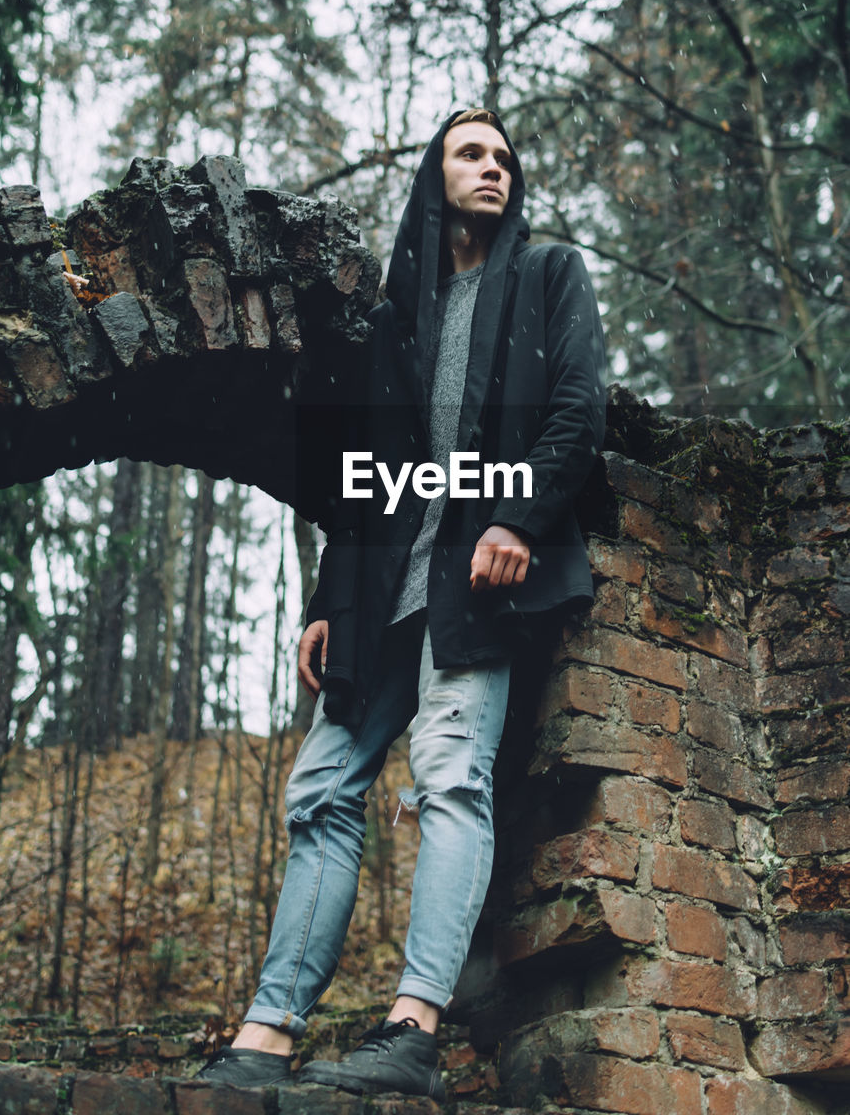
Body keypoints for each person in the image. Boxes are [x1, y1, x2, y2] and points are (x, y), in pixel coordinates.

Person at [197, 108, 606, 1101]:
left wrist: (515, 518)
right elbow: (360, 477)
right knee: (320, 787)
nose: (493, 168)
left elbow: (578, 409)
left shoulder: (547, 275)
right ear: (435, 173)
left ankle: (412, 1026)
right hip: (387, 587)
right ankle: (266, 1031)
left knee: (448, 775)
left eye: (506, 157)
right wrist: (330, 600)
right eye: (472, 152)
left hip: (480, 579)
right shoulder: (396, 320)